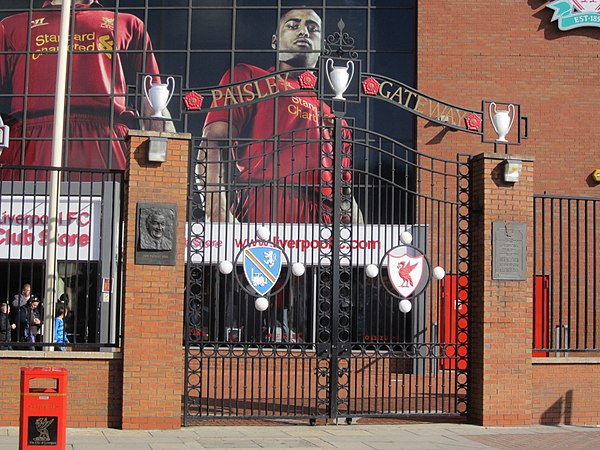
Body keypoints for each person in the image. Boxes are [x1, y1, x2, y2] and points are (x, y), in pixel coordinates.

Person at [201, 8, 363, 224]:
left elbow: (344, 190)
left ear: (322, 46)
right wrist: (217, 213)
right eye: (293, 25)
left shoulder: (334, 117)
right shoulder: (249, 78)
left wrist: (360, 233)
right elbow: (212, 143)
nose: (304, 31)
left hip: (323, 221)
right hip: (265, 205)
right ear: (275, 41)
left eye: (312, 28)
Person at [0, 0, 174, 176]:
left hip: (105, 136)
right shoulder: (13, 26)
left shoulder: (127, 24)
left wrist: (162, 162)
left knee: (113, 201)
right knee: (22, 201)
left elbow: (153, 100)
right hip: (31, 139)